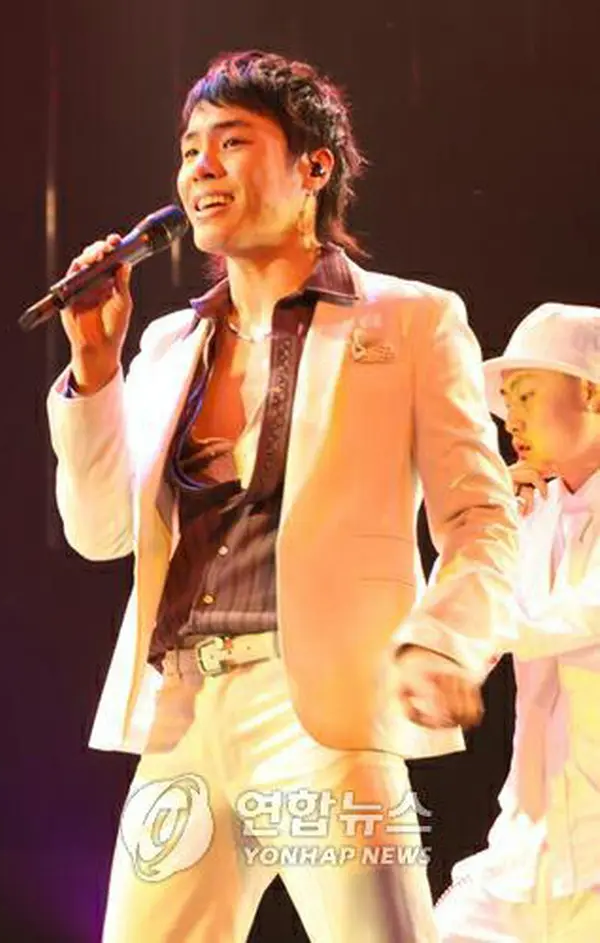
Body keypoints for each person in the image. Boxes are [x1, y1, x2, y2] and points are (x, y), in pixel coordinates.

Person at [47, 50, 518, 943]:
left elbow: (482, 519)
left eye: (232, 142)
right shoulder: (168, 345)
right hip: (183, 717)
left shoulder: (411, 319)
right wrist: (94, 370)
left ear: (313, 168)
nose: (201, 168)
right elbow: (101, 531)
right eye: (189, 149)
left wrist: (445, 641)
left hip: (324, 717)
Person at [435, 302, 600, 941]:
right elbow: (468, 638)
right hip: (528, 851)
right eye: (508, 403)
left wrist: (448, 632)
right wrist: (485, 529)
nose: (513, 420)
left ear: (591, 392)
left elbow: (563, 618)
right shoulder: (532, 512)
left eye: (527, 395)